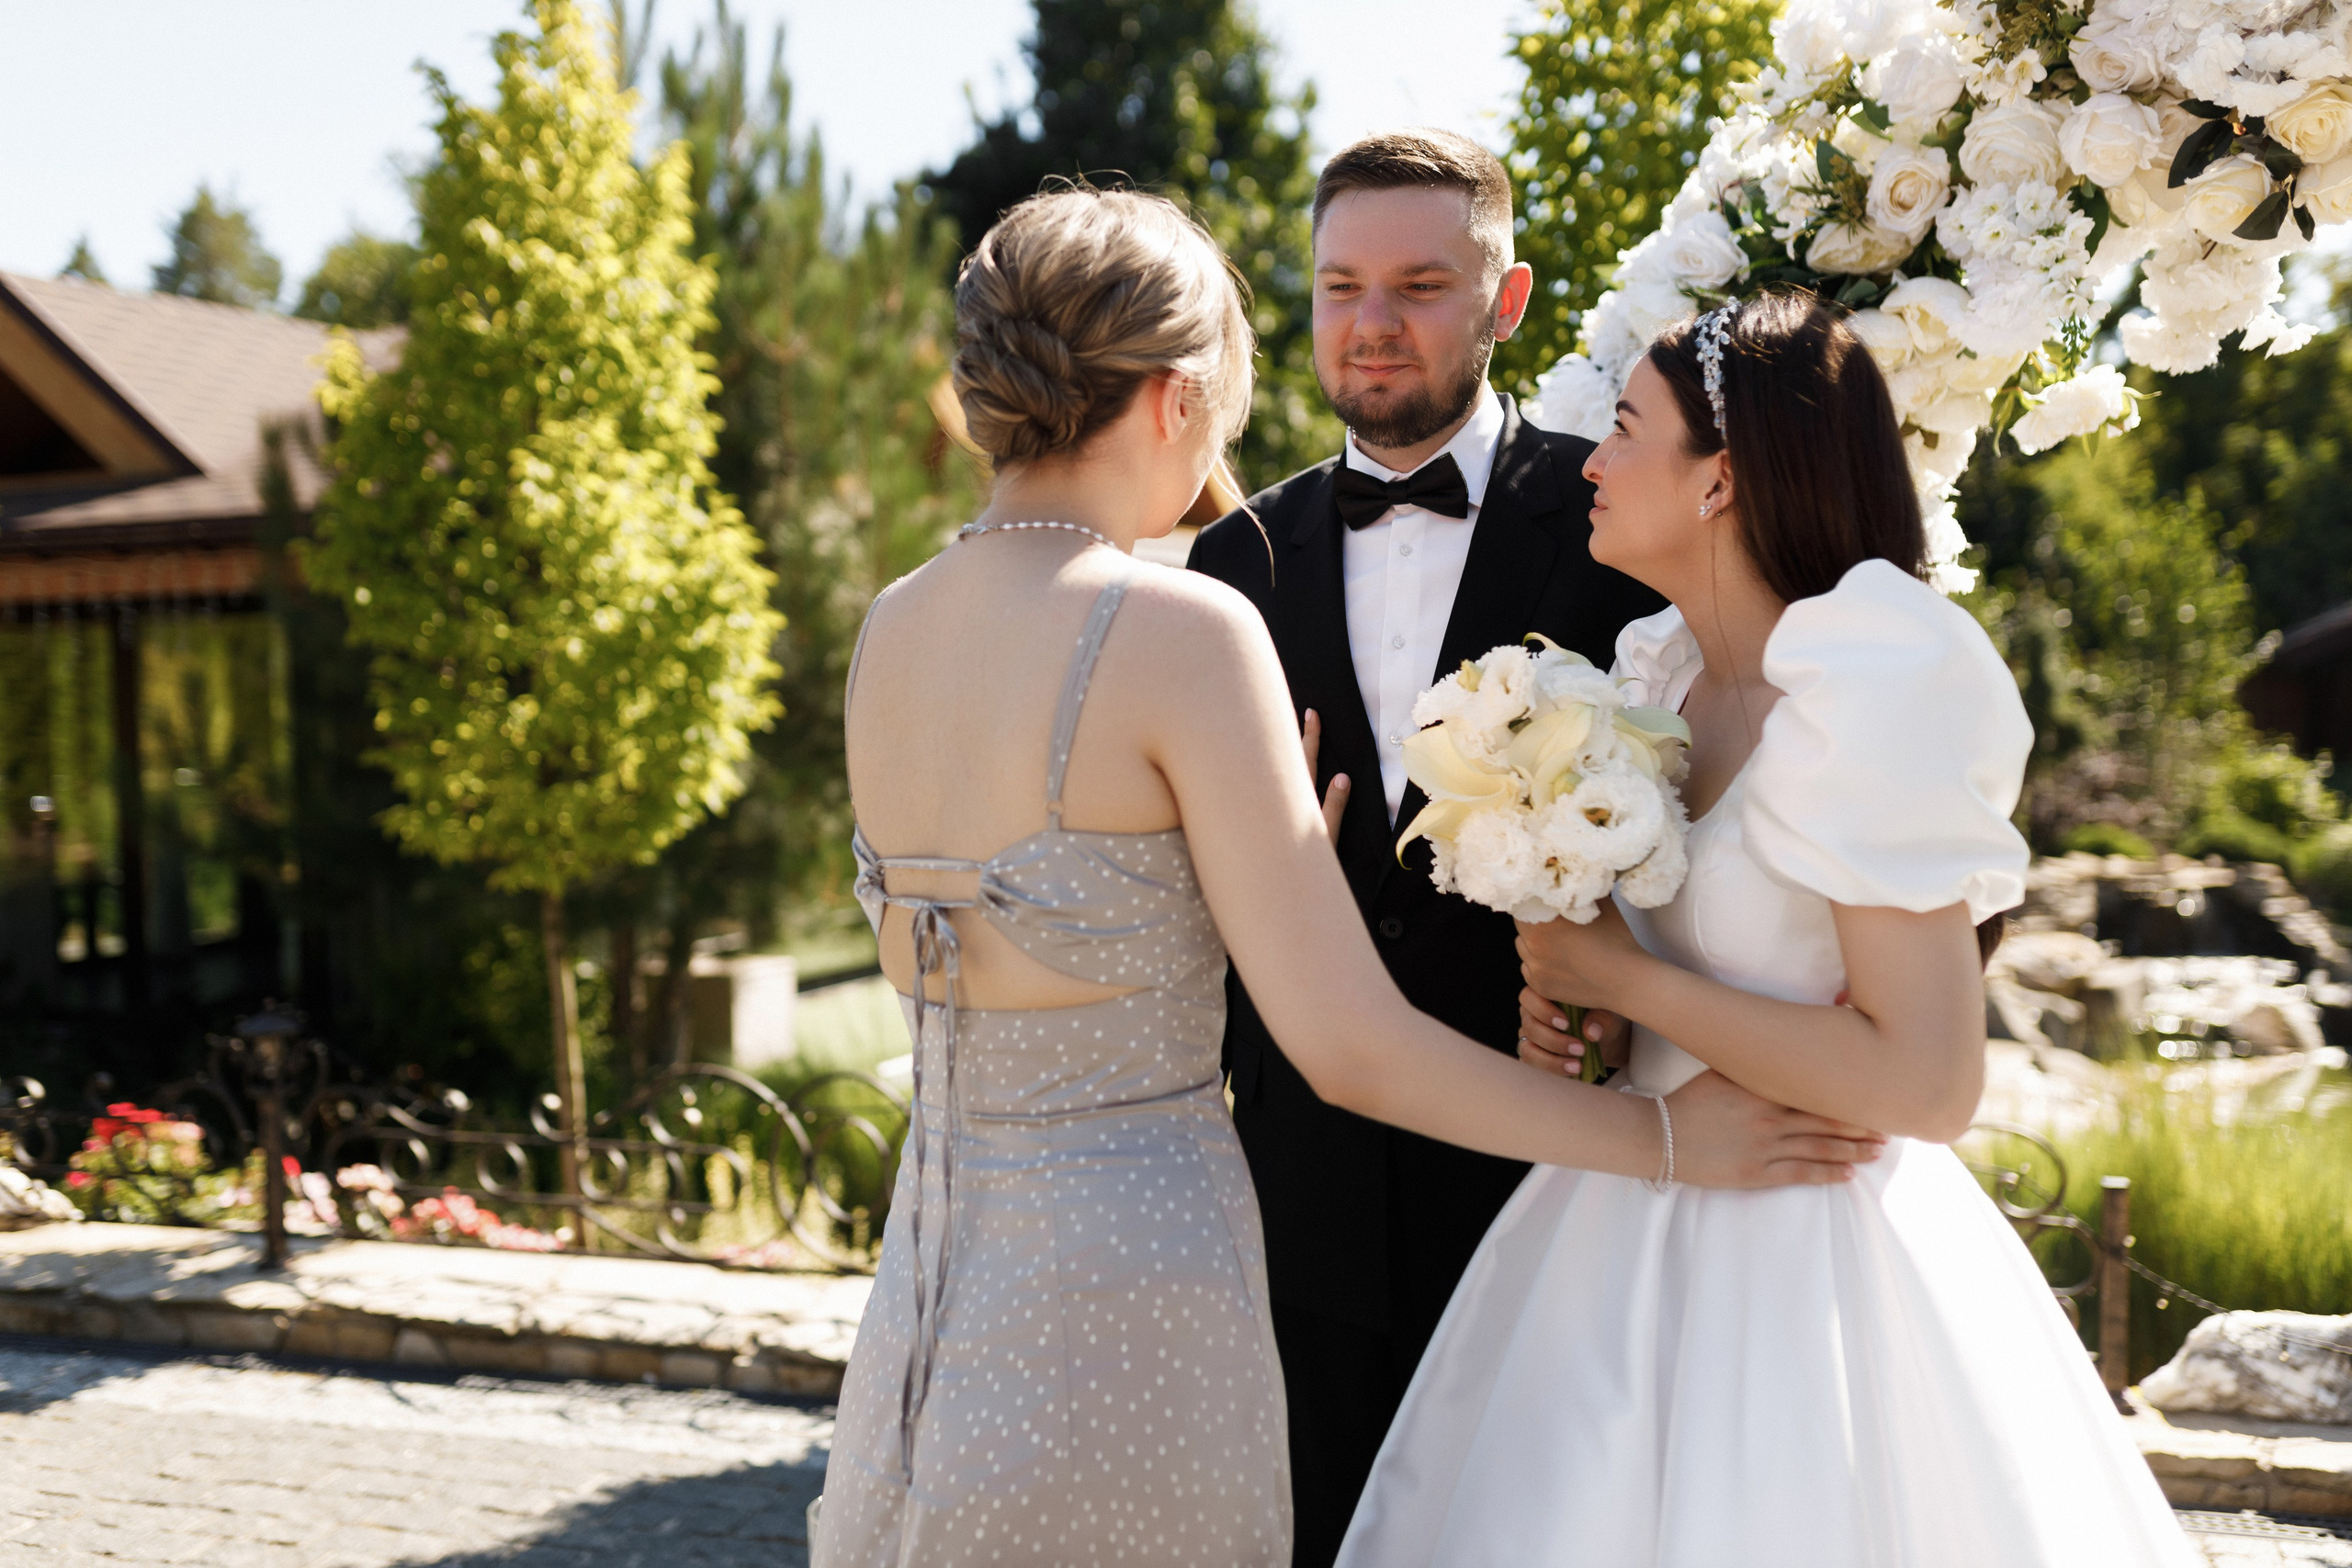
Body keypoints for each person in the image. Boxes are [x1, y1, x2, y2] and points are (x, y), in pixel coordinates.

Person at [812, 188, 1884, 1568]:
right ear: (1179, 394)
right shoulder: (1180, 623)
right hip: (1146, 1285)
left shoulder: (893, 629)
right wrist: (1671, 1144)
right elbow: (1350, 1050)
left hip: (938, 1283)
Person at [1334, 293, 2199, 1567]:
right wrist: (1579, 1022)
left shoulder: (1867, 684)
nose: (1594, 461)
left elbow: (1929, 1081)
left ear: (1719, 481)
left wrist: (1632, 977)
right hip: (1615, 1226)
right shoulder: (1649, 680)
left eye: (1626, 430)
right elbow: (1628, 1002)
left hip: (1815, 1254)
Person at [1183, 128, 1671, 1566]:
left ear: (1506, 300)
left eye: (1420, 284)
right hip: (1302, 1183)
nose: (1374, 322)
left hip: (1551, 1161)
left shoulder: (1615, 524)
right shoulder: (1232, 568)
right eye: (1340, 286)